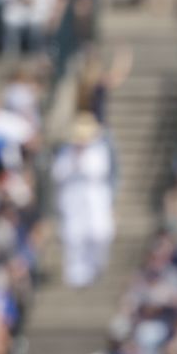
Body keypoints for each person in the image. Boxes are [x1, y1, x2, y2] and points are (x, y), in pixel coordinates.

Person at [51, 112, 117, 287]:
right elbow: (58, 173)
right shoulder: (66, 151)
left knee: (100, 233)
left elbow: (100, 171)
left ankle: (96, 267)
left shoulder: (100, 150)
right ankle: (75, 274)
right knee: (73, 236)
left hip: (94, 197)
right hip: (73, 197)